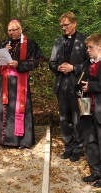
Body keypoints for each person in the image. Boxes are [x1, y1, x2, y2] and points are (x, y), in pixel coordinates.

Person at [0, 19, 44, 148]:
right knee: (4, 110)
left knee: (19, 110)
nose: (11, 32)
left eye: (14, 30)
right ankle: (4, 139)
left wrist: (19, 64)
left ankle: (20, 141)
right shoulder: (4, 43)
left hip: (20, 82)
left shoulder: (30, 43)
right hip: (4, 81)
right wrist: (3, 50)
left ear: (20, 29)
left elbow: (36, 61)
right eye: (9, 30)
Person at [49, 11, 88, 162]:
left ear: (74, 23)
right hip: (61, 84)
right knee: (65, 118)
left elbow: (91, 63)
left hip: (80, 85)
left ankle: (79, 148)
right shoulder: (58, 41)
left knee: (80, 117)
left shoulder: (85, 40)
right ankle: (68, 146)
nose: (63, 28)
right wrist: (57, 67)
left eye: (66, 25)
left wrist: (74, 68)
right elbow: (51, 62)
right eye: (61, 25)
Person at [79, 33, 101, 187]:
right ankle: (96, 171)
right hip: (86, 105)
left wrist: (91, 86)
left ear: (100, 47)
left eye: (90, 47)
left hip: (99, 109)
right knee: (90, 140)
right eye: (87, 47)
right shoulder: (88, 63)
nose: (87, 50)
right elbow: (81, 80)